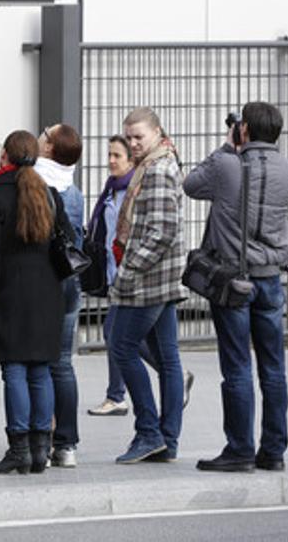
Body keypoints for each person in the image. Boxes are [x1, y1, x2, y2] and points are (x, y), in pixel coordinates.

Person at [184, 102, 288, 473]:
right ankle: (274, 451)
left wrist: (225, 146)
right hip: (271, 278)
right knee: (273, 368)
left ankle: (239, 449)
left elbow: (191, 185)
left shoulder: (226, 165)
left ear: (244, 129)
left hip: (234, 281)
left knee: (237, 367)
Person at [0, 131, 72, 476]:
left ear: (5, 157)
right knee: (40, 369)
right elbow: (68, 241)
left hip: (8, 295)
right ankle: (42, 448)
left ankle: (19, 448)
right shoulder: (49, 193)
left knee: (14, 369)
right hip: (47, 295)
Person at [109, 107, 186, 465]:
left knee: (121, 345)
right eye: (130, 137)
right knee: (168, 360)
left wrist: (128, 270)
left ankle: (149, 432)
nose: (134, 143)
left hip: (148, 281)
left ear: (157, 132)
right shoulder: (159, 162)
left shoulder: (156, 170)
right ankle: (166, 440)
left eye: (139, 136)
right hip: (163, 277)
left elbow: (162, 230)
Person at [36, 123, 85, 468]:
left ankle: (41, 435)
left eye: (45, 134)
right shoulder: (75, 190)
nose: (40, 136)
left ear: (50, 148)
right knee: (63, 363)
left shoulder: (37, 182)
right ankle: (66, 444)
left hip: (46, 282)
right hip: (72, 282)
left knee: (40, 361)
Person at [87, 135, 137, 417]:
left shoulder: (132, 190)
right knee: (129, 336)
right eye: (109, 155)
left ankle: (116, 396)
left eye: (117, 155)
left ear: (132, 161)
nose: (111, 161)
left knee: (114, 332)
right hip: (112, 272)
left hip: (127, 275)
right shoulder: (112, 189)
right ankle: (176, 375)